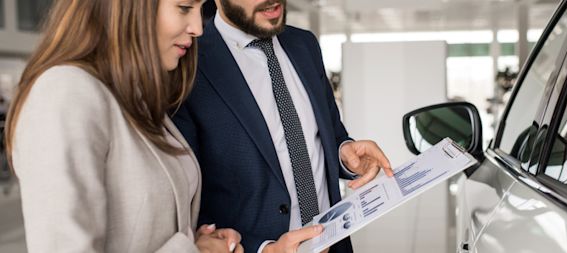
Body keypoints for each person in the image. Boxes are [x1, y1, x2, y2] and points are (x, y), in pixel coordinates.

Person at [5, 0, 242, 252]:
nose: (198, 28)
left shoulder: (133, 100)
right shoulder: (66, 92)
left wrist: (199, 242)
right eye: (184, 7)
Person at [172, 0, 394, 252]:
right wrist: (262, 248)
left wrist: (345, 153)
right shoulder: (187, 63)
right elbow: (183, 200)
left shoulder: (305, 44)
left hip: (334, 243)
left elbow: (329, 132)